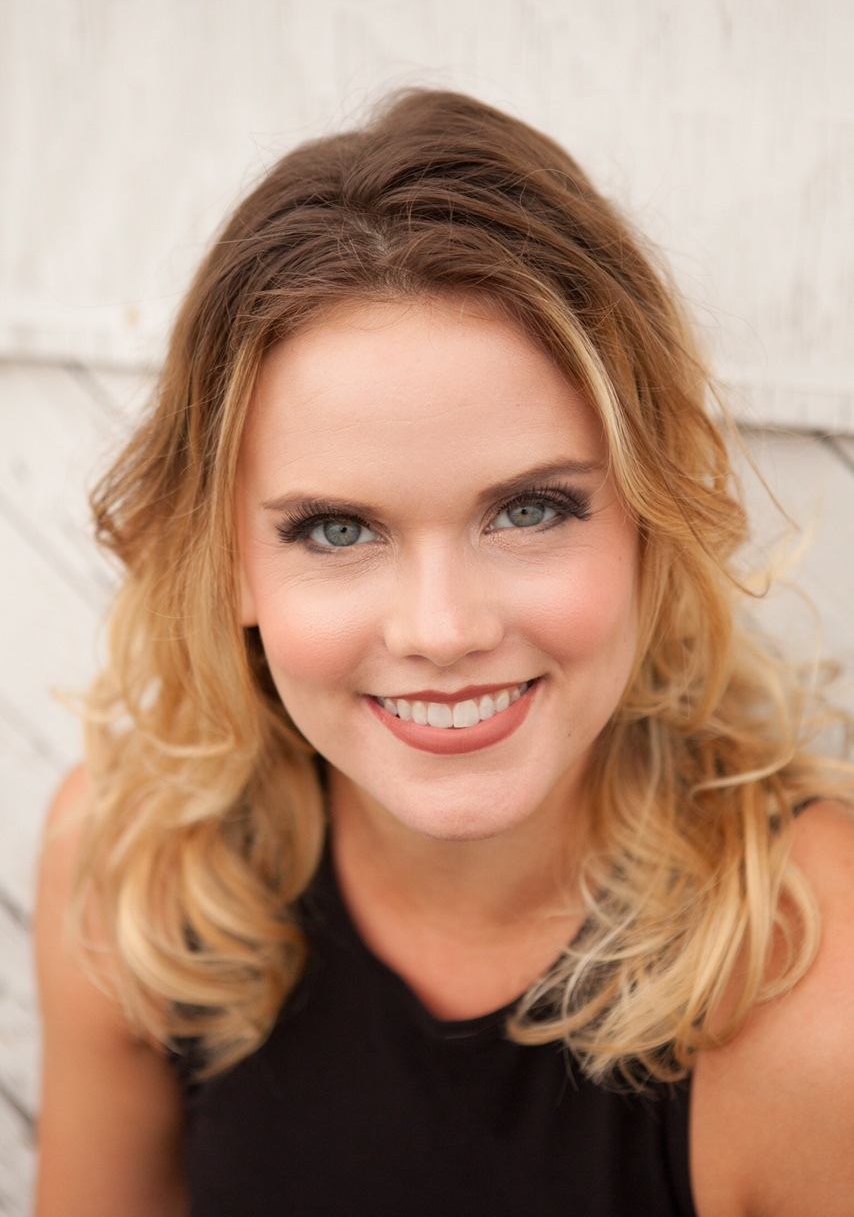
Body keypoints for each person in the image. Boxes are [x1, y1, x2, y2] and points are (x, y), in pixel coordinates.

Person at [33, 88, 854, 1217]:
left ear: (651, 516)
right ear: (227, 561)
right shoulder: (130, 866)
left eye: (530, 509)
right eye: (337, 529)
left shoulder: (815, 976)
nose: (442, 630)